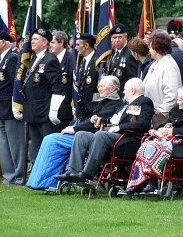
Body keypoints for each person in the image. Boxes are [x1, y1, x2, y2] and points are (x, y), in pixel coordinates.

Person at [27, 76, 122, 190]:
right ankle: (38, 181)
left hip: (88, 134)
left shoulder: (114, 103)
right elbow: (84, 117)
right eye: (99, 86)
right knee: (49, 138)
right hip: (82, 131)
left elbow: (95, 122)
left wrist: (75, 129)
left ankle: (47, 182)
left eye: (102, 86)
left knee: (52, 140)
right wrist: (73, 125)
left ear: (112, 88)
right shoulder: (99, 100)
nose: (99, 89)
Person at [55, 78, 154, 183]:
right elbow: (115, 119)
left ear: (133, 90)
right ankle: (73, 171)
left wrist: (120, 127)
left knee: (100, 135)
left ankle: (87, 174)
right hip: (114, 136)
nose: (123, 91)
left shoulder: (144, 101)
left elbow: (143, 124)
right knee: (81, 135)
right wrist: (101, 119)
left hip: (129, 139)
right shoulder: (125, 104)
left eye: (125, 89)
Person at [124, 85, 183, 194]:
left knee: (156, 149)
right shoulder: (176, 109)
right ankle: (139, 182)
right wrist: (160, 130)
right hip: (169, 139)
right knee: (145, 146)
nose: (178, 101)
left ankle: (152, 184)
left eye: (181, 100)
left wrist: (174, 132)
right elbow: (168, 124)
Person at [17, 29, 65, 164]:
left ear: (45, 43)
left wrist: (54, 110)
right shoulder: (35, 58)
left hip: (44, 112)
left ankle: (48, 175)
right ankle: (37, 174)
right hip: (33, 111)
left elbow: (57, 86)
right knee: (35, 146)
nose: (32, 41)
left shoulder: (50, 60)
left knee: (48, 146)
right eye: (32, 39)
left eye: (36, 39)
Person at [0, 31, 25, 185]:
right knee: (4, 144)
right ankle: (9, 176)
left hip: (10, 107)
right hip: (1, 108)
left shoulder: (12, 58)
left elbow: (15, 84)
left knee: (16, 144)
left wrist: (17, 105)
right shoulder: (2, 59)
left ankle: (19, 176)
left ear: (3, 42)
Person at [143, 33, 182, 129]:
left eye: (150, 47)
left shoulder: (168, 65)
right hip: (153, 113)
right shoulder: (155, 64)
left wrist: (164, 109)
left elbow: (172, 91)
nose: (149, 50)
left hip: (162, 117)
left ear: (157, 47)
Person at [50, 30, 73, 131]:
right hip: (51, 108)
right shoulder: (50, 58)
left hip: (65, 109)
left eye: (53, 42)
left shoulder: (70, 59)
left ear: (61, 42)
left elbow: (71, 84)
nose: (50, 45)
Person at [107, 23, 139, 94]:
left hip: (123, 94)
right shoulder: (112, 53)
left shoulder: (130, 54)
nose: (117, 40)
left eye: (120, 37)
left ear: (126, 37)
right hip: (113, 95)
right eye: (114, 37)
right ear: (111, 39)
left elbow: (133, 78)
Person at [75, 33, 99, 118]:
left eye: (78, 45)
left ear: (86, 45)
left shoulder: (98, 61)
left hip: (94, 108)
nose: (75, 47)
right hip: (84, 108)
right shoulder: (82, 61)